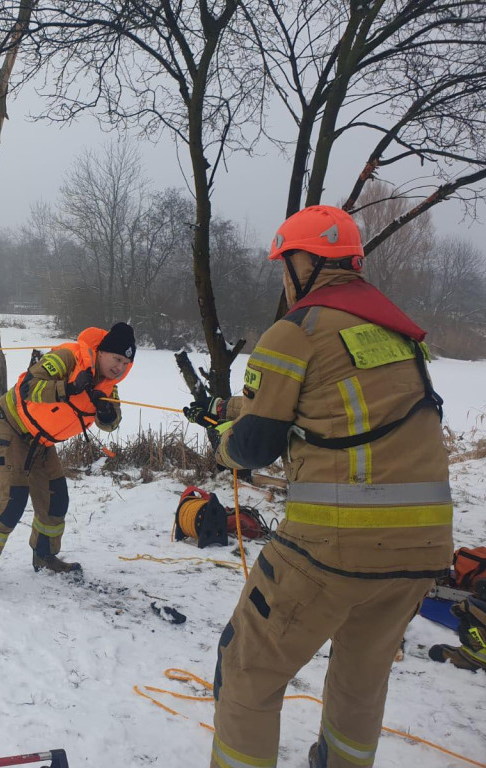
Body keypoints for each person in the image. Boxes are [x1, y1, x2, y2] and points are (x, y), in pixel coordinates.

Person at [183, 206, 452, 768]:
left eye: (286, 262)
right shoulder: (394, 333)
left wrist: (221, 444)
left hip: (331, 546)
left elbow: (256, 445)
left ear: (308, 263)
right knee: (360, 678)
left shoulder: (297, 329)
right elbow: (330, 407)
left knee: (247, 667)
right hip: (420, 550)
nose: (284, 275)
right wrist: (223, 408)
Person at [0, 322, 135, 596]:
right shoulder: (68, 357)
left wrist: (106, 414)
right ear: (102, 352)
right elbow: (28, 387)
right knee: (12, 500)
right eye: (116, 359)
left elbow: (112, 421)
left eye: (126, 363)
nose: (120, 367)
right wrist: (68, 388)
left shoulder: (109, 385)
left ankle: (44, 557)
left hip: (42, 441)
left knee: (56, 499)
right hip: (11, 426)